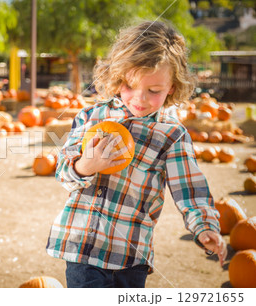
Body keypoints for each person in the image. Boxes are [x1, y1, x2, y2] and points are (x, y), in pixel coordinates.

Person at [46, 20, 227, 288]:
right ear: (118, 78)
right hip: (82, 248)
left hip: (131, 256)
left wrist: (204, 226)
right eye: (130, 86)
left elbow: (189, 188)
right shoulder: (90, 117)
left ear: (172, 88)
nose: (139, 99)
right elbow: (64, 173)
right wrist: (85, 165)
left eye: (153, 91)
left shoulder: (171, 135)